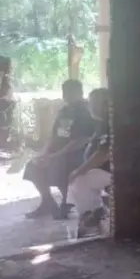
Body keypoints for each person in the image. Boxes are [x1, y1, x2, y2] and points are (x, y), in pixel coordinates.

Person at [22, 79, 95, 219]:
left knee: (60, 166)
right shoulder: (64, 111)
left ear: (79, 92)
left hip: (77, 154)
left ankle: (66, 202)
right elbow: (53, 135)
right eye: (64, 92)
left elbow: (79, 142)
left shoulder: (85, 112)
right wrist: (45, 152)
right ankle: (47, 202)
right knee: (33, 165)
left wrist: (55, 156)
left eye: (69, 92)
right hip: (57, 153)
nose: (65, 95)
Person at [67, 88, 111, 235]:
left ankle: (94, 215)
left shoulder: (109, 123)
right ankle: (93, 215)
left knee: (80, 180)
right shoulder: (100, 122)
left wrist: (79, 170)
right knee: (78, 180)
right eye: (90, 102)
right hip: (102, 170)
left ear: (106, 104)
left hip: (113, 171)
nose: (90, 106)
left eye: (94, 103)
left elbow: (103, 154)